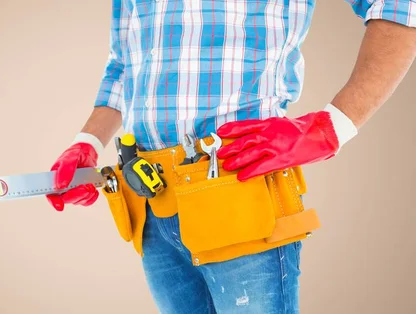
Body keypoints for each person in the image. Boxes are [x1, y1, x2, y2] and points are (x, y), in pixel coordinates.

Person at [46, 1, 416, 313]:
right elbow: (124, 64)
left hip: (239, 186)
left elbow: (401, 9)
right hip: (151, 205)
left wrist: (333, 127)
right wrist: (88, 142)